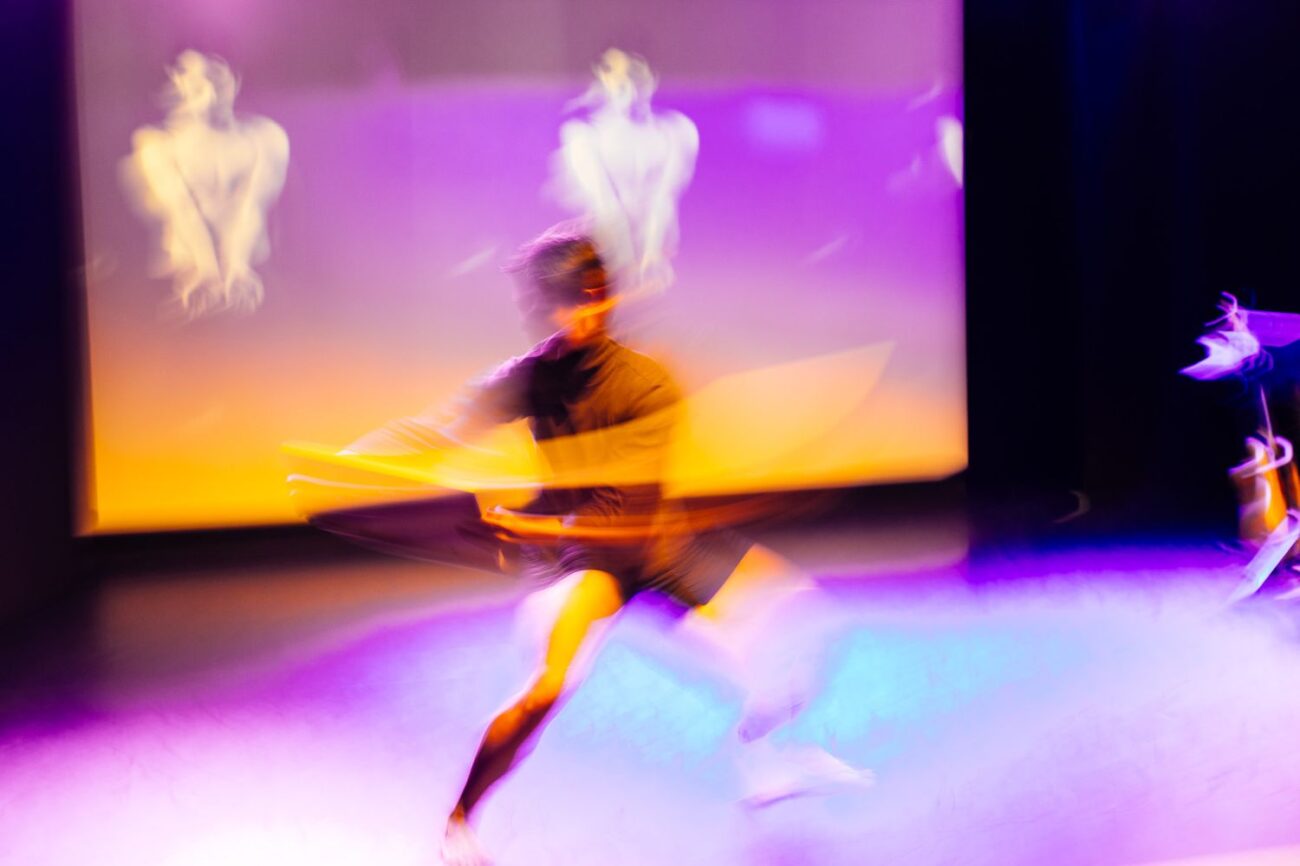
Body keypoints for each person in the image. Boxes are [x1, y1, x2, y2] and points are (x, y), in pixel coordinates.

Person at [338, 228, 867, 865]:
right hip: (587, 563)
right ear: (543, 307)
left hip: (654, 544)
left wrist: (530, 528)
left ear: (607, 296)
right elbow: (445, 430)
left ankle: (763, 758)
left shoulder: (645, 385)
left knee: (805, 625)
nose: (579, 314)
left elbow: (629, 521)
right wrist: (352, 465)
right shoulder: (532, 377)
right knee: (544, 691)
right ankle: (459, 821)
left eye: (590, 297)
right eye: (563, 302)